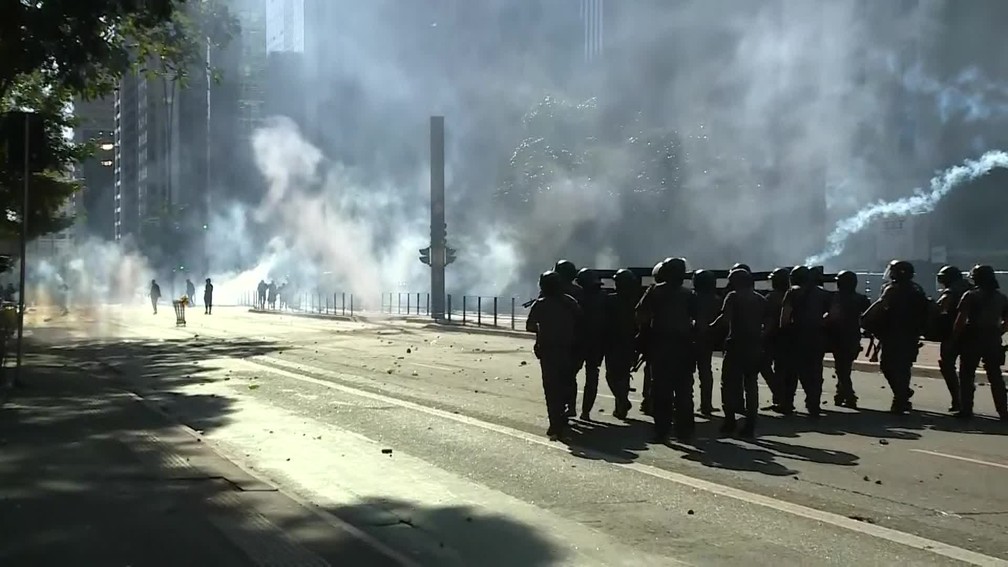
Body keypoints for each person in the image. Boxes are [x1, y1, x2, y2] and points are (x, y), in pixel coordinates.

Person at [636, 257, 696, 442]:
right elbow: (697, 321)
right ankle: (684, 431)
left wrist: (643, 337)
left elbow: (641, 315)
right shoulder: (688, 294)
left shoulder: (654, 291)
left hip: (661, 346)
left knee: (662, 390)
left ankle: (662, 431)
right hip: (684, 346)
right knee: (684, 391)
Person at [861, 260, 929, 414]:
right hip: (911, 334)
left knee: (887, 366)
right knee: (904, 367)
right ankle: (902, 395)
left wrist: (866, 320)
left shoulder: (891, 289)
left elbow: (879, 307)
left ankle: (901, 396)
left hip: (893, 334)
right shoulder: (917, 289)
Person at [526, 270, 583, 440]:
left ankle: (555, 423)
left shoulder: (540, 304)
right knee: (565, 384)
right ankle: (563, 415)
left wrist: (544, 328)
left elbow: (530, 326)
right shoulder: (570, 302)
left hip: (548, 351)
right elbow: (580, 321)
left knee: (551, 389)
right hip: (568, 349)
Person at [711, 268, 765, 437]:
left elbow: (725, 319)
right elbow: (769, 322)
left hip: (736, 345)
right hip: (754, 346)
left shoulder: (733, 297)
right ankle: (750, 424)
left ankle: (729, 420)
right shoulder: (760, 299)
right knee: (751, 385)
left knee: (728, 384)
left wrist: (709, 329)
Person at [952, 264, 1008, 421]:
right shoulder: (1001, 297)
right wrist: (999, 331)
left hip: (972, 337)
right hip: (993, 338)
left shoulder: (970, 295)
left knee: (967, 375)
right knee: (995, 376)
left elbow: (961, 319)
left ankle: (966, 409)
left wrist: (955, 337)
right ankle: (1003, 411)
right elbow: (1007, 320)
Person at [779, 265, 832, 417]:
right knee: (814, 372)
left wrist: (784, 332)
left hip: (796, 337)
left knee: (792, 373)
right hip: (817, 337)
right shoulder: (822, 293)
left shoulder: (792, 292)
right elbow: (832, 313)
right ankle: (813, 405)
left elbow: (785, 317)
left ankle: (787, 404)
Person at [824, 270, 870, 409]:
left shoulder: (834, 298)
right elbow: (868, 316)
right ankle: (841, 393)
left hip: (837, 336)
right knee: (844, 367)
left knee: (842, 369)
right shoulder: (861, 299)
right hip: (852, 336)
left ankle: (849, 395)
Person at [931, 265, 971, 413]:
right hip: (972, 334)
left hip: (953, 333)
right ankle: (965, 403)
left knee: (947, 366)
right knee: (967, 370)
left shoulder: (951, 293)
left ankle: (958, 401)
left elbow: (939, 309)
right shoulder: (970, 289)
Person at [604, 268, 639, 419]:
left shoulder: (611, 300)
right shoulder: (636, 300)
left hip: (614, 342)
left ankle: (622, 402)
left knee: (612, 376)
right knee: (623, 375)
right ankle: (621, 405)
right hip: (629, 342)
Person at [575, 268, 608, 420]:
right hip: (596, 342)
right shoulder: (604, 297)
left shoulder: (577, 296)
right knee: (592, 376)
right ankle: (585, 412)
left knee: (570, 375)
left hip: (580, 341)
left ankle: (572, 408)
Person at [691, 269, 721, 416]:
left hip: (690, 338)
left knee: (686, 373)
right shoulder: (715, 300)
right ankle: (706, 404)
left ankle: (684, 402)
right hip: (707, 339)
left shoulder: (692, 298)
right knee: (705, 372)